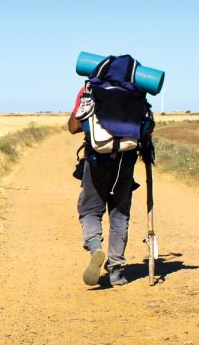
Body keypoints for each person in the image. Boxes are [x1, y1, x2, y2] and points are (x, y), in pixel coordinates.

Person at [68, 85, 138, 286]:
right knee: (120, 214)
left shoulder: (88, 90)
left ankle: (95, 245)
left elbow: (73, 127)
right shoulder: (134, 91)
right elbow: (146, 127)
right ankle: (116, 271)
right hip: (125, 161)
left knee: (90, 210)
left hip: (97, 160)